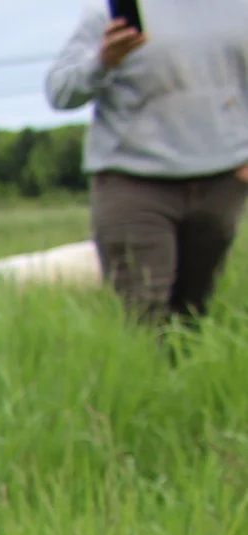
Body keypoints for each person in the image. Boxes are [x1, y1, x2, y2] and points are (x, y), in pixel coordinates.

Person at [46, 0, 248, 326]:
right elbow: (60, 91)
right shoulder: (110, 11)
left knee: (193, 313)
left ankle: (186, 360)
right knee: (142, 311)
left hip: (221, 181)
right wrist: (102, 61)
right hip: (134, 180)